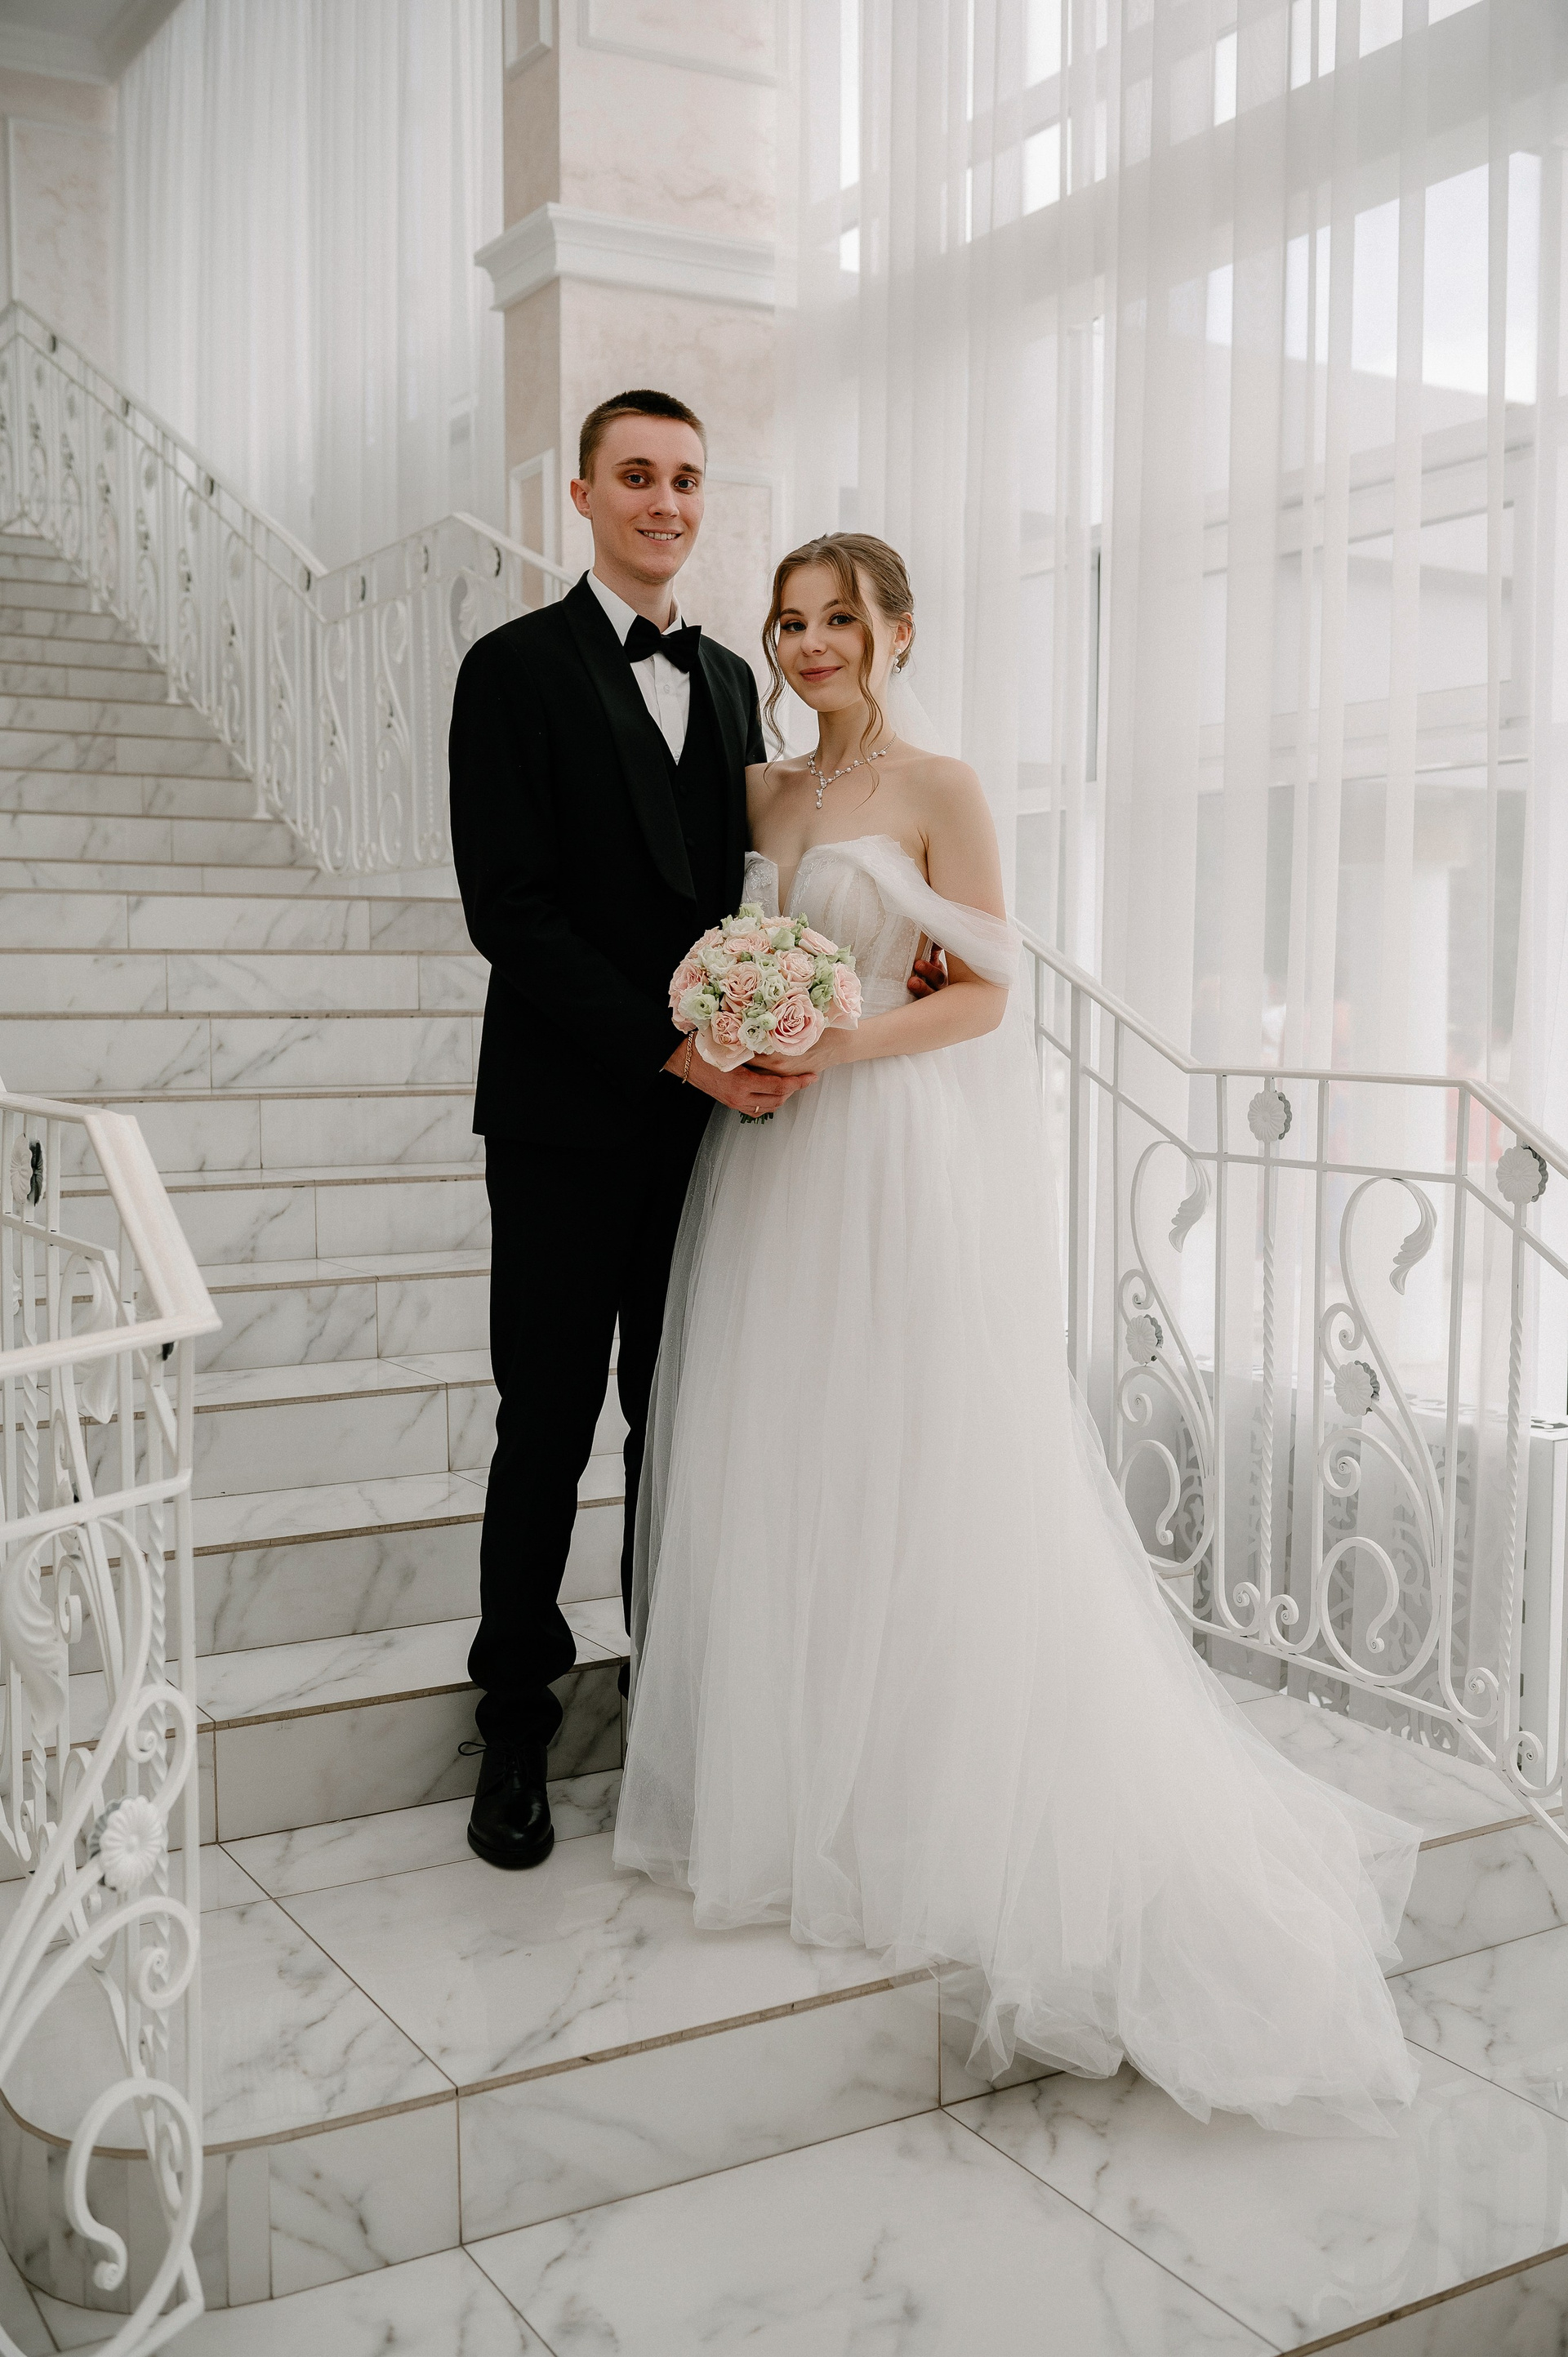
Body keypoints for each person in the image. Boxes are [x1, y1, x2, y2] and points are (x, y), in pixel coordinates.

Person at [613, 530, 1423, 2136]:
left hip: (886, 1145)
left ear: (898, 632)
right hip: (767, 1163)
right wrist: (739, 1028)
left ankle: (932, 1782)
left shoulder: (946, 788)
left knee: (920, 1455)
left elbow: (988, 991)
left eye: (840, 619)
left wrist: (832, 1039)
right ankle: (802, 1787)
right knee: (797, 1457)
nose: (812, 643)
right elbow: (717, 941)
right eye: (791, 621)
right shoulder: (760, 792)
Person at [448, 399, 937, 1872]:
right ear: (584, 492)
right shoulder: (510, 668)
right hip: (564, 1120)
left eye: (687, 480)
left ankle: (671, 1699)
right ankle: (515, 1721)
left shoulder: (734, 682)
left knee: (686, 1424)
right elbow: (509, 910)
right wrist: (677, 1048)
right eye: (638, 477)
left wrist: (892, 955)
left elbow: (761, 889)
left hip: (720, 1138)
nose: (665, 501)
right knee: (547, 1421)